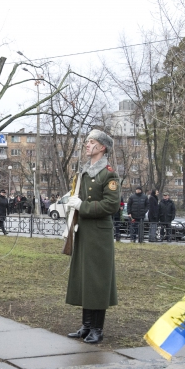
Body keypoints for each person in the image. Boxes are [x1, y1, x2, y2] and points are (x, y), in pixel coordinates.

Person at [65, 130, 120, 345]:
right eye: (87, 142)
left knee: (98, 281)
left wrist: (83, 206)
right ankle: (86, 325)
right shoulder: (85, 173)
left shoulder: (109, 174)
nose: (87, 145)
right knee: (85, 279)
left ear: (102, 147)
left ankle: (97, 329)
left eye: (92, 142)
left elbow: (111, 205)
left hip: (99, 234)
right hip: (85, 232)